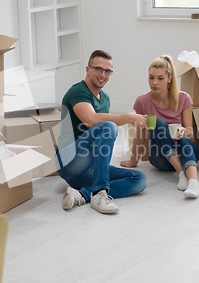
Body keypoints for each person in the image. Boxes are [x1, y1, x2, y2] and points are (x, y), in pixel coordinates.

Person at [55, 50, 148, 214]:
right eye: (98, 69)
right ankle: (99, 194)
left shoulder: (104, 98)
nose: (103, 74)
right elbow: (90, 119)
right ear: (87, 69)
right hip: (68, 161)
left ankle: (83, 194)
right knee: (109, 126)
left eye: (107, 71)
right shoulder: (78, 91)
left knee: (139, 180)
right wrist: (128, 117)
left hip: (88, 169)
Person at [120, 55, 199, 198]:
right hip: (161, 157)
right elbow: (140, 134)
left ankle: (193, 182)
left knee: (182, 139)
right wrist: (133, 160)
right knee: (158, 122)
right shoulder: (142, 102)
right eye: (151, 77)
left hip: (186, 152)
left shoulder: (184, 98)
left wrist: (183, 132)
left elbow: (190, 132)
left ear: (169, 78)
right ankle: (181, 173)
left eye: (160, 78)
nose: (154, 82)